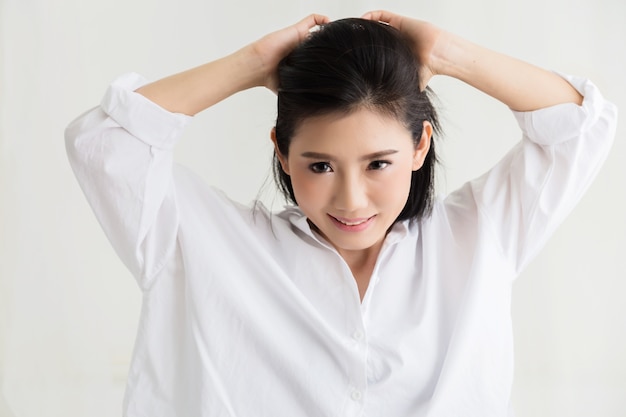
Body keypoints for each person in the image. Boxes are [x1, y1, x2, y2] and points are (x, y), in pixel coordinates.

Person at [65, 10, 617, 417]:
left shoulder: (480, 236)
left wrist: (448, 54)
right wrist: (252, 64)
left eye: (378, 163)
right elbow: (107, 143)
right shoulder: (202, 244)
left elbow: (581, 128)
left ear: (421, 146)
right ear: (281, 150)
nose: (351, 200)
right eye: (320, 166)